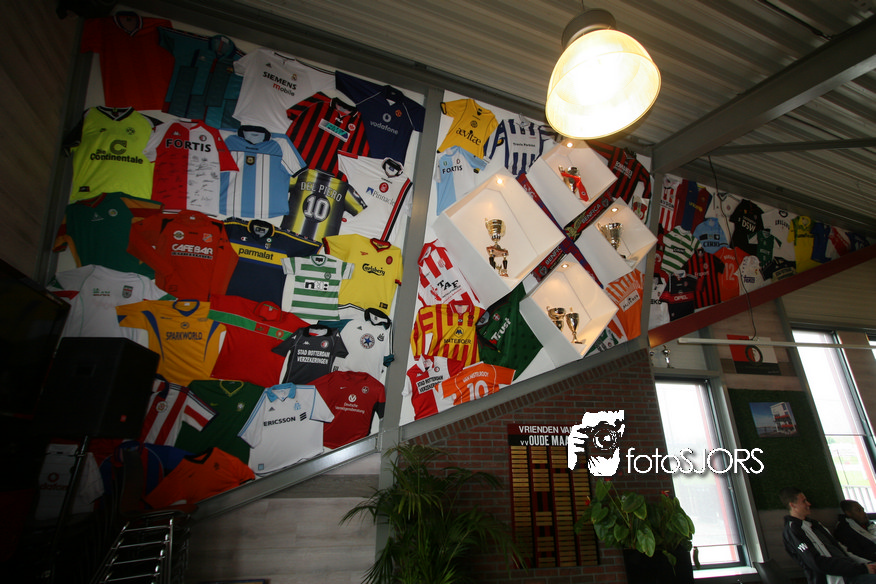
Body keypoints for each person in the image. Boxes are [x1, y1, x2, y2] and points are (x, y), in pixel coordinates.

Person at [780, 487, 876, 584]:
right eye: (804, 501)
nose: (808, 504)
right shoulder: (794, 531)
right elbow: (816, 563)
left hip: (851, 573)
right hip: (837, 580)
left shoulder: (815, 525)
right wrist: (862, 569)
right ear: (793, 505)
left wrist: (867, 564)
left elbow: (841, 550)